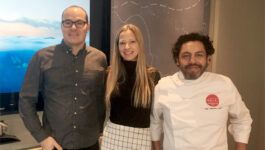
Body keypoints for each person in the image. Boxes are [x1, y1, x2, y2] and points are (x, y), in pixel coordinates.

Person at [19, 6, 107, 150]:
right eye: (68, 22)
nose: (73, 27)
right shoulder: (41, 58)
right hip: (55, 144)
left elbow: (99, 99)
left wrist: (99, 130)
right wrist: (41, 137)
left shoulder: (100, 58)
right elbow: (25, 101)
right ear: (61, 26)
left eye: (79, 22)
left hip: (90, 143)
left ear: (87, 27)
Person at [150, 33, 252, 150]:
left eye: (199, 55)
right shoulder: (164, 86)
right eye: (185, 56)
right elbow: (154, 122)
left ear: (208, 59)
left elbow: (242, 119)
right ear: (177, 60)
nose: (192, 60)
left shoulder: (224, 84)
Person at [101, 24, 160, 150]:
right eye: (122, 43)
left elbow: (156, 115)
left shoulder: (152, 75)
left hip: (141, 139)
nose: (127, 47)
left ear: (140, 44)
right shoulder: (110, 74)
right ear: (117, 47)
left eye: (132, 41)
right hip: (112, 137)